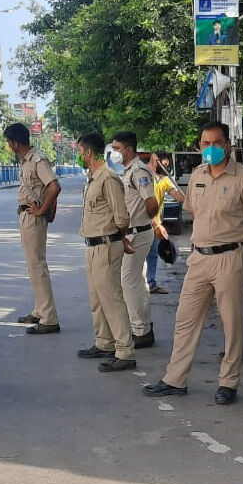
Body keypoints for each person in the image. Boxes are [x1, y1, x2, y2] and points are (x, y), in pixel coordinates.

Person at [143, 121, 243, 404]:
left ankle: (228, 383)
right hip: (198, 258)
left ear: (228, 145)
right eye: (205, 144)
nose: (210, 149)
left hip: (230, 258)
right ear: (199, 147)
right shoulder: (197, 175)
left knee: (231, 323)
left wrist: (238, 244)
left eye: (216, 143)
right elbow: (194, 212)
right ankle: (175, 379)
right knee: (185, 320)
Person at [76, 132, 136, 372]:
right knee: (96, 299)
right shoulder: (93, 178)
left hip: (106, 245)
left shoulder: (108, 179)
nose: (79, 156)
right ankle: (104, 342)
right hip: (92, 245)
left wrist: (121, 238)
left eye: (80, 152)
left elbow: (121, 217)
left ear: (89, 152)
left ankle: (125, 351)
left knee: (111, 299)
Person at [5, 122, 61, 335]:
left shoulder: (37, 160)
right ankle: (40, 310)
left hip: (33, 217)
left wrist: (41, 210)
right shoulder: (27, 161)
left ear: (16, 142)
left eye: (9, 143)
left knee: (37, 266)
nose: (9, 146)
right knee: (33, 266)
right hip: (26, 216)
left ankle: (49, 318)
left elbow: (54, 186)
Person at [111, 131, 159, 349]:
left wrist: (144, 222)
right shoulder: (127, 171)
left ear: (129, 149)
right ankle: (143, 328)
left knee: (128, 282)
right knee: (138, 282)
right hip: (134, 231)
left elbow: (151, 201)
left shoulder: (139, 171)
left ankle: (140, 330)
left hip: (137, 232)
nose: (114, 153)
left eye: (117, 148)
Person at [146, 152, 184, 295]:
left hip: (155, 225)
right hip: (139, 224)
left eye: (167, 164)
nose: (164, 166)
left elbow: (176, 194)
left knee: (153, 254)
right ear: (155, 158)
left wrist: (191, 201)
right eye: (163, 163)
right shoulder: (142, 175)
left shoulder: (164, 180)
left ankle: (151, 283)